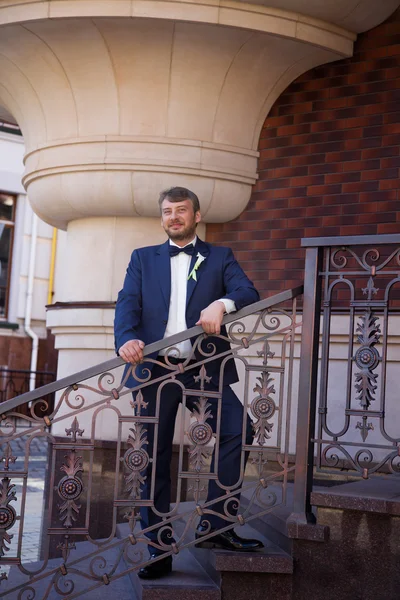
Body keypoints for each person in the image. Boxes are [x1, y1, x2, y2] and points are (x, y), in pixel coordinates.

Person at [114, 186, 263, 579]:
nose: (174, 217)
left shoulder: (220, 257)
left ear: (197, 216)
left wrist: (222, 304)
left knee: (239, 429)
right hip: (154, 369)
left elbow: (247, 290)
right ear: (162, 218)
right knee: (154, 457)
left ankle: (215, 525)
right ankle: (157, 549)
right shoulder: (143, 259)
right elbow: (127, 302)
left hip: (203, 368)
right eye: (167, 211)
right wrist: (126, 338)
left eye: (182, 210)